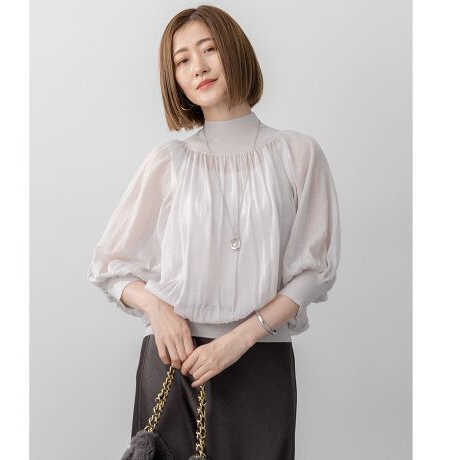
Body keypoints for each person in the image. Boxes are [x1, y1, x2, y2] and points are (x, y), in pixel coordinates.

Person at [87, 5, 341, 459]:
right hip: (175, 361)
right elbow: (110, 267)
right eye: (182, 60)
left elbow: (315, 272)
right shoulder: (169, 162)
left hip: (260, 359)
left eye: (209, 49)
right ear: (175, 79)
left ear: (235, 51)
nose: (198, 67)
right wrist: (159, 310)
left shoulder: (297, 153)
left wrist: (239, 339)